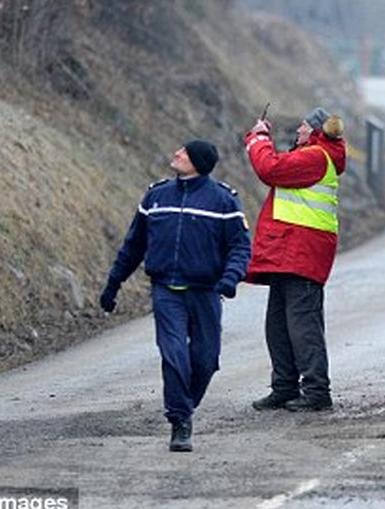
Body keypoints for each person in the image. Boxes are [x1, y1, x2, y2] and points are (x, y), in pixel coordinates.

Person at [99, 139, 250, 452]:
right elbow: (133, 246)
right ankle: (180, 421)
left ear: (197, 161)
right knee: (173, 354)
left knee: (206, 361)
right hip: (166, 290)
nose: (176, 153)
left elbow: (240, 247)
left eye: (184, 151)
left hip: (206, 292)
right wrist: (113, 284)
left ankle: (184, 404)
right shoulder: (157, 196)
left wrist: (230, 279)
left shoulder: (223, 201)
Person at [243, 107, 346, 412]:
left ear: (315, 131)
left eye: (302, 127)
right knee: (278, 325)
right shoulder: (315, 155)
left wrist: (258, 138)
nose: (297, 131)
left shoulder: (315, 157)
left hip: (302, 253)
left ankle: (316, 392)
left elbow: (270, 169)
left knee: (303, 327)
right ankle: (285, 387)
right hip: (290, 252)